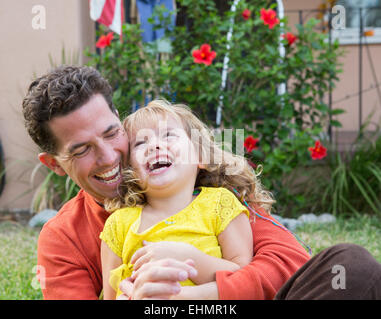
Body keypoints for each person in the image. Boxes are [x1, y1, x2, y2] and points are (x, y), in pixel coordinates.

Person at [22, 65, 381, 300]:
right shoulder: (66, 237)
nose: (108, 157)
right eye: (82, 149)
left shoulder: (212, 194)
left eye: (112, 133)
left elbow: (289, 265)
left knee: (351, 266)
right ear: (54, 164)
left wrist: (197, 293)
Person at [100, 100, 275, 299]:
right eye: (140, 143)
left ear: (199, 156)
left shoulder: (220, 204)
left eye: (168, 135)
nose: (154, 145)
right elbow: (111, 294)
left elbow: (244, 279)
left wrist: (188, 258)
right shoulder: (118, 225)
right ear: (130, 170)